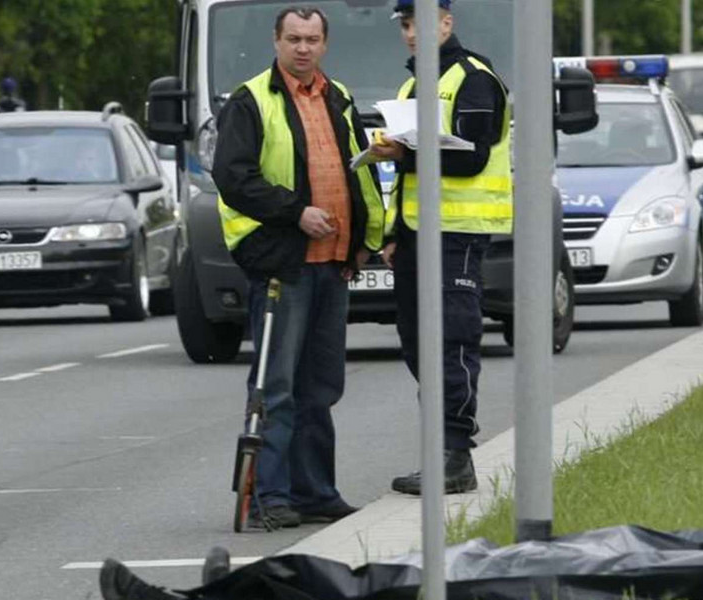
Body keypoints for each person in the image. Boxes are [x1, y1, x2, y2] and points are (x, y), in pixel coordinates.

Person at [212, 5, 386, 529]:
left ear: (325, 44)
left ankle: (315, 492)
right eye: (294, 39)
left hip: (333, 264)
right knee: (277, 386)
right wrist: (296, 213)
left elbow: (359, 172)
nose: (303, 48)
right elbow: (233, 176)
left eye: (312, 39)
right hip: (281, 264)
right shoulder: (251, 101)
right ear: (276, 41)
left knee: (321, 387)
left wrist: (363, 240)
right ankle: (269, 496)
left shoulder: (339, 97)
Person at [367, 0, 512, 495]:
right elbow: (407, 176)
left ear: (446, 23)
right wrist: (392, 234)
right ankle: (440, 452)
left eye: (422, 23)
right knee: (417, 343)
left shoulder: (473, 79)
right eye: (406, 25)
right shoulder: (412, 85)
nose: (412, 33)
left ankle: (456, 456)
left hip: (457, 232)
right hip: (414, 233)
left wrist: (405, 152)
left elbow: (471, 159)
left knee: (451, 341)